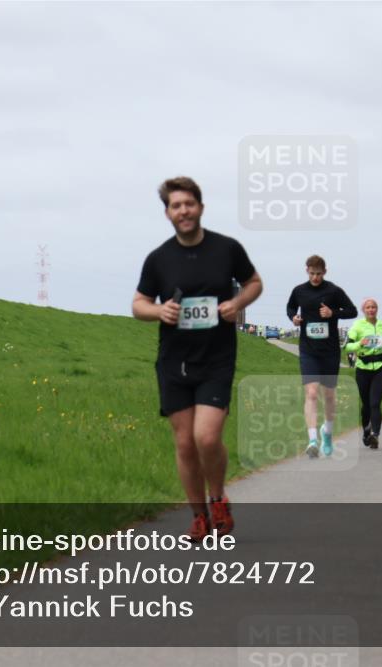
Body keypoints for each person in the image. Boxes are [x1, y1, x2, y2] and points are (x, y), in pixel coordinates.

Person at [133, 176, 262, 541]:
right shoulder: (158, 259)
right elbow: (138, 304)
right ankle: (198, 517)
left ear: (200, 208)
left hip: (216, 358)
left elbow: (254, 283)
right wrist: (158, 312)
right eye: (176, 206)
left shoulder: (226, 249)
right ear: (167, 213)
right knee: (185, 443)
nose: (183, 211)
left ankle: (218, 499)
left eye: (189, 204)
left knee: (206, 437)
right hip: (174, 361)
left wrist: (237, 303)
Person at [286, 255, 357, 458]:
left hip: (330, 351)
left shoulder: (333, 290)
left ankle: (327, 432)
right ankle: (312, 439)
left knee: (329, 395)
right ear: (306, 270)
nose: (315, 277)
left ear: (325, 272)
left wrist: (332, 313)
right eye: (312, 273)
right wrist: (294, 317)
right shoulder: (299, 291)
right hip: (308, 350)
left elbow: (351, 311)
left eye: (319, 274)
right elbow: (290, 307)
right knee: (311, 393)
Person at [344, 298, 382, 449]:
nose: (371, 310)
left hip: (381, 367)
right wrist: (360, 344)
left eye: (373, 307)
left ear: (377, 309)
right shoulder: (357, 326)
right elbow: (348, 347)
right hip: (363, 368)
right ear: (363, 310)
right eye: (368, 307)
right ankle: (366, 430)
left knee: (375, 403)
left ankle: (375, 435)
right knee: (366, 404)